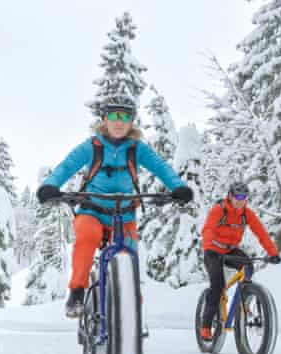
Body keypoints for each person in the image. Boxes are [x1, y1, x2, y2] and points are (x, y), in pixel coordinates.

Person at [36, 94, 193, 317]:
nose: (119, 121)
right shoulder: (92, 146)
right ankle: (77, 292)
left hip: (124, 214)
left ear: (132, 121)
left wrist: (178, 187)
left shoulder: (137, 148)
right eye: (114, 115)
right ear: (104, 119)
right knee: (87, 237)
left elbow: (160, 167)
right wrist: (50, 185)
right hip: (92, 210)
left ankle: (130, 305)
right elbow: (67, 165)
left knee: (129, 255)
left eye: (125, 116)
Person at [199, 181, 280, 341]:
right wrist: (210, 249)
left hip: (230, 250)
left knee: (248, 265)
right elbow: (207, 230)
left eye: (244, 197)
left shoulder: (246, 214)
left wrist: (273, 253)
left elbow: (261, 233)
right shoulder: (219, 210)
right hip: (213, 251)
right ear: (230, 196)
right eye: (237, 197)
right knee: (217, 285)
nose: (240, 200)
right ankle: (206, 325)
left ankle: (245, 298)